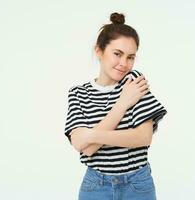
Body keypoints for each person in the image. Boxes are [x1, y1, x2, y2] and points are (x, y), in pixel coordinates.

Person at [64, 12, 167, 200]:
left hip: (137, 184)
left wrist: (92, 135)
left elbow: (143, 137)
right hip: (96, 185)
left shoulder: (133, 81)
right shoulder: (78, 93)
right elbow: (82, 146)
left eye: (131, 57)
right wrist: (122, 104)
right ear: (99, 51)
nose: (124, 63)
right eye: (117, 54)